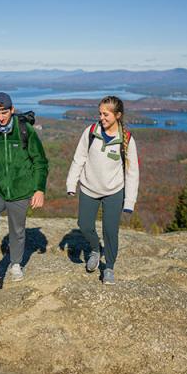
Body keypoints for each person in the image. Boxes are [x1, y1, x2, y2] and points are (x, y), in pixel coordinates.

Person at [0, 92, 49, 289]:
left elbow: (40, 161)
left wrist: (39, 189)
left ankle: (15, 263)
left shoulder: (25, 130)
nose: (1, 116)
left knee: (17, 229)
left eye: (4, 112)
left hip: (21, 188)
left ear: (12, 110)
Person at [66, 95, 139, 284]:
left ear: (118, 115)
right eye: (100, 113)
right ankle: (95, 250)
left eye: (106, 114)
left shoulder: (127, 139)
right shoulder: (91, 132)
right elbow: (79, 158)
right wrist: (71, 184)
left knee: (110, 230)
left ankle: (109, 268)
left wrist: (129, 201)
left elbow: (132, 173)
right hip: (89, 188)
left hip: (114, 191)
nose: (101, 118)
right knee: (84, 225)